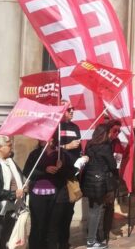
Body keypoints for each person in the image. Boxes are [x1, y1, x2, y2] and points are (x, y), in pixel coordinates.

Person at [23, 135, 73, 249]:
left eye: (47, 137)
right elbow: (27, 172)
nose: (43, 140)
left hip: (56, 195)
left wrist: (61, 168)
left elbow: (70, 173)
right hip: (37, 196)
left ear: (53, 139)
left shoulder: (61, 154)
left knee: (53, 226)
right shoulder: (34, 154)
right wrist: (44, 170)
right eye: (41, 137)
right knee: (38, 225)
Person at [82, 124, 118, 249]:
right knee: (96, 212)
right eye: (109, 133)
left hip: (89, 180)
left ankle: (92, 239)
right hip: (100, 182)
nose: (110, 135)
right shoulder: (106, 146)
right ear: (105, 134)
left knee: (93, 211)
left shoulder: (89, 145)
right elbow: (112, 165)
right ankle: (91, 242)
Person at [57, 103, 81, 249]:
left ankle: (64, 241)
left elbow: (79, 149)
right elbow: (46, 149)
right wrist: (66, 147)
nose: (72, 111)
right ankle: (55, 241)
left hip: (72, 175)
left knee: (68, 211)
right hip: (57, 177)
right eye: (68, 109)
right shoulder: (55, 127)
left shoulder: (75, 127)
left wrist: (82, 158)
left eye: (73, 109)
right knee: (57, 211)